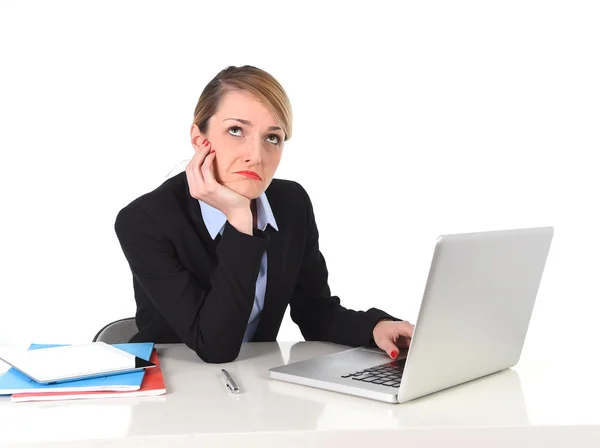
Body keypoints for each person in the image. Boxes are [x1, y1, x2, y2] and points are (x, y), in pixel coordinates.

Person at [114, 65, 414, 364]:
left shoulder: (291, 203)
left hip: (255, 383)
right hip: (173, 386)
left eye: (272, 137)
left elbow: (314, 310)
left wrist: (375, 327)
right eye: (236, 131)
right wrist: (239, 219)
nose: (256, 156)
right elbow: (214, 346)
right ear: (200, 139)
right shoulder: (144, 221)